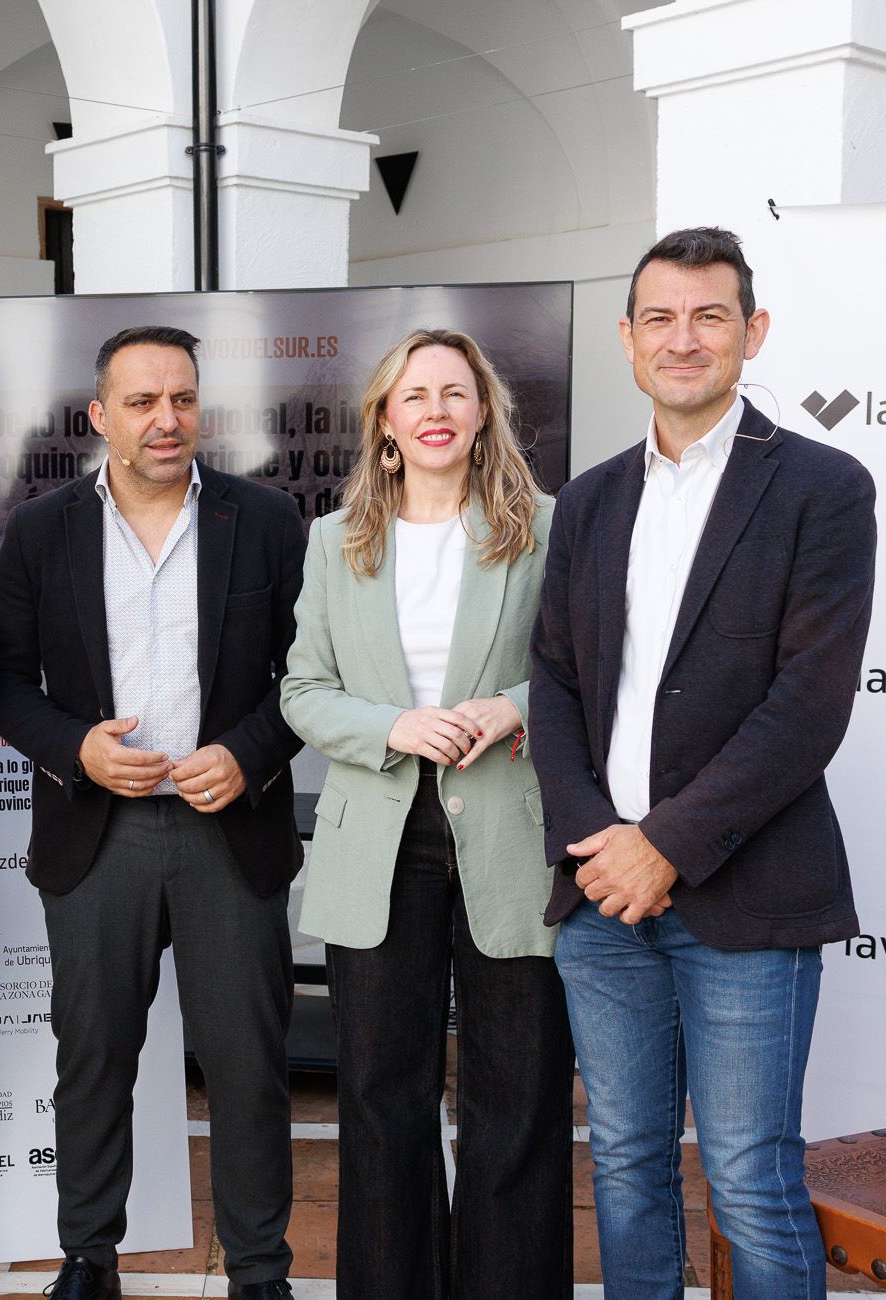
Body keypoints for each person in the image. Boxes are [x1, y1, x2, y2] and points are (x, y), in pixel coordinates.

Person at [528, 227, 876, 1300]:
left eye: (709, 317)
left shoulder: (821, 486)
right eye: (661, 319)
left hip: (745, 893)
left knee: (747, 1176)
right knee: (625, 1166)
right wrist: (601, 844)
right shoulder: (587, 499)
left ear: (751, 333)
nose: (684, 340)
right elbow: (554, 682)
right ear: (628, 339)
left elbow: (805, 707)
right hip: (601, 900)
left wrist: (662, 846)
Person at [0, 326, 305, 1300]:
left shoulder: (266, 519)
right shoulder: (40, 531)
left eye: (180, 399)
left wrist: (245, 755)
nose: (165, 419)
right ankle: (88, 1257)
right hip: (95, 836)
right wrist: (74, 746)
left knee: (248, 1067)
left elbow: (311, 672)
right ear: (99, 417)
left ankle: (258, 1271)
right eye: (140, 401)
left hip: (228, 832)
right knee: (92, 1059)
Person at [279, 328, 570, 1298]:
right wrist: (393, 724)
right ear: (386, 420)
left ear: (482, 410)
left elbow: (588, 678)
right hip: (381, 850)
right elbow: (302, 691)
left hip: (512, 843)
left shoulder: (545, 526)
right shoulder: (335, 541)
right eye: (416, 395)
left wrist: (515, 707)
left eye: (455, 391)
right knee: (378, 1103)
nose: (437, 408)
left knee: (516, 1103)